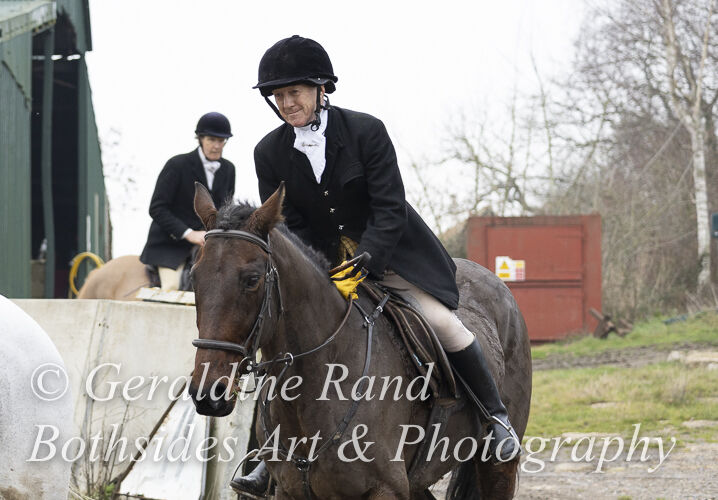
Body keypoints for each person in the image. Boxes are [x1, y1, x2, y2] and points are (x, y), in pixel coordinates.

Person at [231, 36, 520, 496]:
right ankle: (269, 456)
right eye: (279, 96)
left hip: (391, 258)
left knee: (444, 325)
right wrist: (323, 269)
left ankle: (494, 419)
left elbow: (389, 207)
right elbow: (288, 225)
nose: (287, 103)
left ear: (320, 88)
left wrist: (366, 262)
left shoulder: (366, 131)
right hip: (321, 271)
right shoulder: (268, 152)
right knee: (281, 348)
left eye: (295, 93)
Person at [140, 112, 235, 291]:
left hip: (207, 243)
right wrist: (189, 233)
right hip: (171, 244)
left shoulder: (229, 169)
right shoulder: (177, 165)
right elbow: (157, 208)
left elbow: (225, 210)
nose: (217, 146)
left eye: (221, 141)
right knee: (172, 287)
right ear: (200, 139)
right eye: (211, 140)